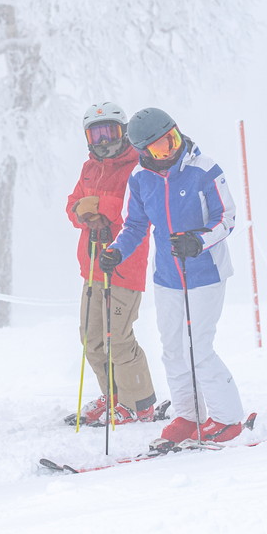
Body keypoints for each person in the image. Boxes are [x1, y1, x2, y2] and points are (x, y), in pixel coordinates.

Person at [100, 108, 245, 444]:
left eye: (173, 140)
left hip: (205, 272)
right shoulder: (140, 178)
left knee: (198, 348)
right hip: (167, 276)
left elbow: (227, 218)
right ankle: (188, 416)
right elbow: (135, 225)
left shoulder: (204, 169)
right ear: (144, 151)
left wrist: (198, 241)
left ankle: (228, 418)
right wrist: (117, 250)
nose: (170, 150)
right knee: (173, 350)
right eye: (160, 148)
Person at [64, 102, 159, 426]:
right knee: (91, 339)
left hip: (123, 265)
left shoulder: (138, 166)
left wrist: (102, 205)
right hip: (91, 265)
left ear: (125, 131)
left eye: (112, 132)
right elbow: (72, 204)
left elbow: (137, 209)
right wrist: (81, 211)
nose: (105, 140)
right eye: (97, 134)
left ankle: (139, 403)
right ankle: (114, 396)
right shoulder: (90, 168)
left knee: (117, 338)